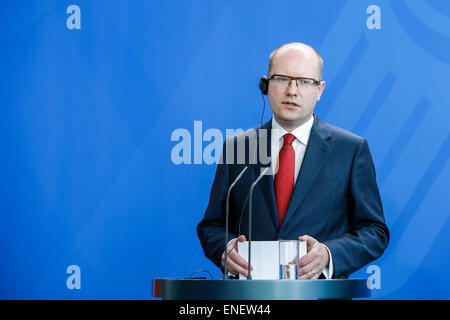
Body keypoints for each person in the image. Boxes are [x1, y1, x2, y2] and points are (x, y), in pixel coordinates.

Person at [197, 42, 389, 279]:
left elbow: (374, 231)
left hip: (320, 295)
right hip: (251, 299)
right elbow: (212, 225)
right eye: (282, 79)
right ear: (265, 85)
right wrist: (225, 249)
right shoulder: (238, 148)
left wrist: (329, 255)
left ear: (319, 90)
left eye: (305, 81)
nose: (292, 90)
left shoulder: (349, 149)